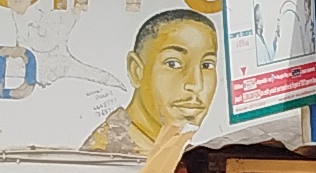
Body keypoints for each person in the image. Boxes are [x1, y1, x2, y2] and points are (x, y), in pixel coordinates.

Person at [82, 8, 221, 158]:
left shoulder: (181, 155)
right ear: (136, 70)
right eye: (173, 63)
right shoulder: (110, 157)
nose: (196, 84)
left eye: (207, 65)